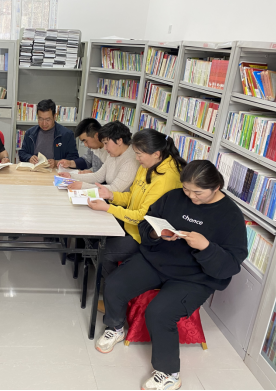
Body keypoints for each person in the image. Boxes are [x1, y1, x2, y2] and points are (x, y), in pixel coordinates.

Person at [96, 160, 248, 390]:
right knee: (115, 284)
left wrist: (206, 247)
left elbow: (231, 264)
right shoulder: (174, 197)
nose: (191, 196)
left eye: (198, 192)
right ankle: (115, 327)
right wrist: (156, 234)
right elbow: (147, 222)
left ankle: (169, 373)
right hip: (158, 260)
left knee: (160, 313)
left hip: (195, 277)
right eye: (186, 189)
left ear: (216, 187)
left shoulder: (231, 216)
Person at [88, 129, 186, 313]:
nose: (136, 158)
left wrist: (108, 208)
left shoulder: (166, 178)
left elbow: (142, 217)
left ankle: (115, 302)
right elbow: (132, 197)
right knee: (96, 237)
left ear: (156, 153)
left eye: (139, 154)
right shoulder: (148, 165)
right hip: (132, 226)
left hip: (148, 237)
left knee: (104, 252)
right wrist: (111, 195)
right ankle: (110, 293)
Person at [61, 121, 139, 192]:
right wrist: (71, 176)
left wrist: (83, 186)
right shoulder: (114, 153)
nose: (105, 148)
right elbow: (98, 176)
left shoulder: (131, 160)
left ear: (119, 141)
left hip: (116, 201)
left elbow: (115, 189)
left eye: (106, 143)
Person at [18, 99, 79, 169]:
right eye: (41, 119)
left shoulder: (67, 134)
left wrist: (57, 162)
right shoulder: (30, 133)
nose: (44, 123)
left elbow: (74, 158)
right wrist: (29, 158)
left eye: (48, 119)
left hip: (56, 171)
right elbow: (22, 153)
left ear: (54, 116)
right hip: (35, 170)